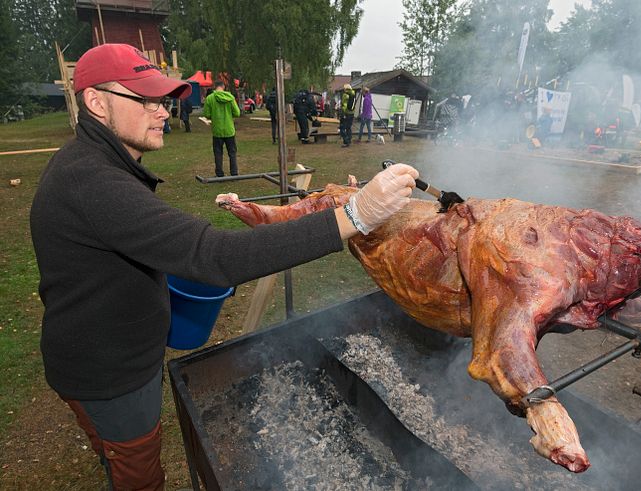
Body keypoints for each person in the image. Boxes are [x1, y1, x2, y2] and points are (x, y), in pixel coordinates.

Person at [28, 43, 419, 491]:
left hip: (104, 348)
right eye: (146, 99)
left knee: (115, 454)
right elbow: (216, 257)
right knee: (140, 476)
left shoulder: (93, 164)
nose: (163, 111)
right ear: (97, 101)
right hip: (110, 372)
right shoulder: (92, 181)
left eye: (164, 98)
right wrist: (353, 218)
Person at [202, 80, 240, 176]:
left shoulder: (210, 98)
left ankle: (219, 173)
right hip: (229, 129)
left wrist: (213, 116)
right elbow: (237, 113)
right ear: (224, 87)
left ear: (215, 86)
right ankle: (234, 172)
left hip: (217, 130)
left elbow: (206, 114)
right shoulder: (230, 98)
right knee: (232, 152)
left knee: (218, 153)